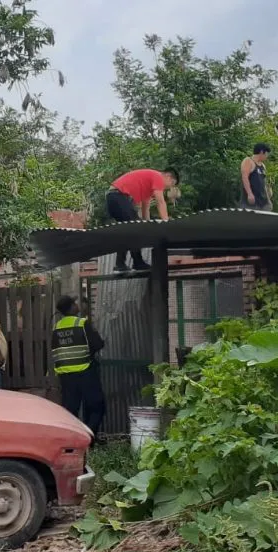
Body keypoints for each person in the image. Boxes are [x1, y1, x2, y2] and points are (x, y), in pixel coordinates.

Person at [51, 295, 107, 439]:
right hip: (85, 371)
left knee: (70, 410)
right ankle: (89, 437)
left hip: (65, 375)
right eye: (75, 303)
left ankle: (72, 439)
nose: (78, 306)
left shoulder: (56, 327)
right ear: (71, 307)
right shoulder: (81, 323)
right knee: (96, 406)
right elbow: (97, 344)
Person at [106, 168, 179, 272]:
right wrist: (166, 223)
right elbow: (160, 202)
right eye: (172, 183)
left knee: (128, 231)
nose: (169, 187)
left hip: (114, 197)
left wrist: (146, 224)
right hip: (118, 196)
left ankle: (121, 264)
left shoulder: (149, 185)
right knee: (135, 227)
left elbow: (145, 207)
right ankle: (137, 262)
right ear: (167, 176)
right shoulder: (158, 176)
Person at [240, 143, 272, 210]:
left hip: (263, 201)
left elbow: (264, 184)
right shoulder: (248, 161)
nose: (267, 156)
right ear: (261, 152)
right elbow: (245, 178)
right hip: (252, 201)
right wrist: (249, 193)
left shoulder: (263, 166)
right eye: (266, 154)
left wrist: (268, 200)